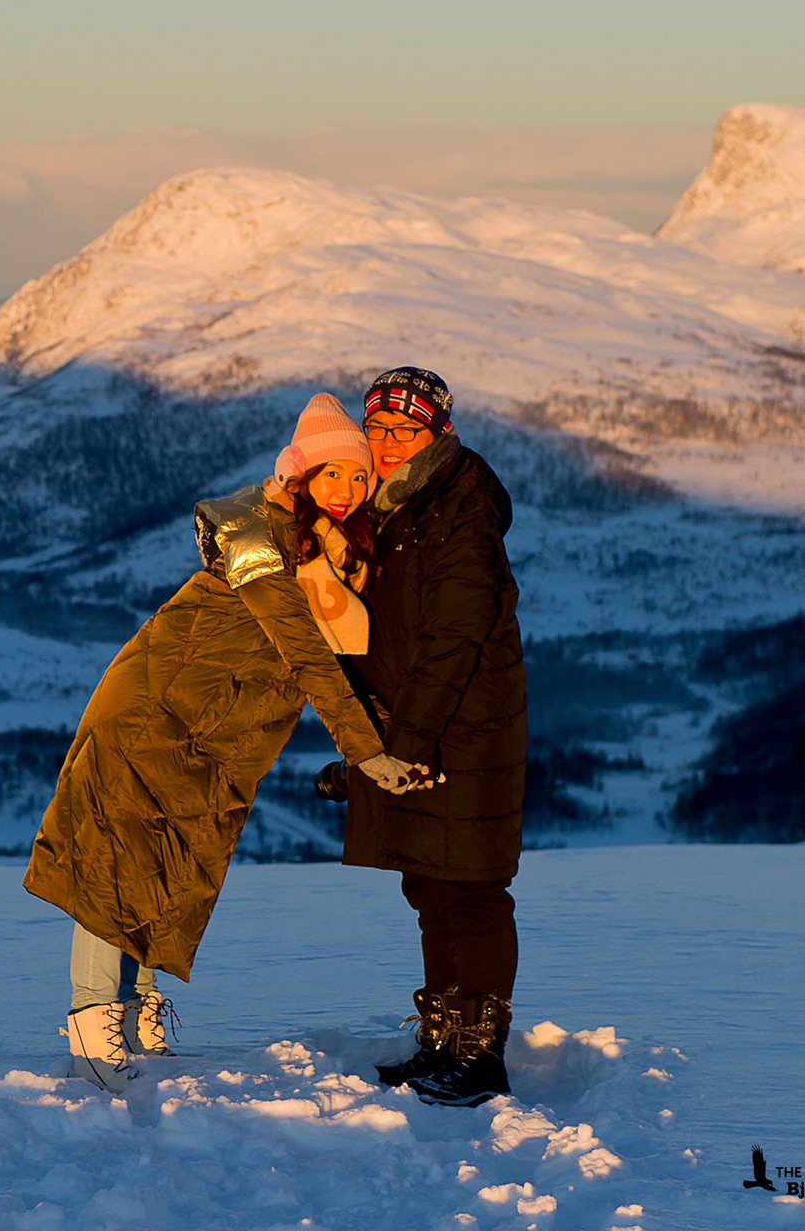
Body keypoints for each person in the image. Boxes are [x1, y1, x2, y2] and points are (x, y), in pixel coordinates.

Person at [25, 393, 433, 1091]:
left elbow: (349, 652)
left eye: (358, 478)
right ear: (298, 475)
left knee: (174, 862)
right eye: (331, 474)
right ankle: (94, 1023)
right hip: (155, 713)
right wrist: (369, 754)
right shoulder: (261, 540)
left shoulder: (324, 553)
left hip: (210, 727)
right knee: (119, 860)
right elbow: (308, 657)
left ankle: (135, 1003)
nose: (346, 490)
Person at [316, 366, 528, 1108]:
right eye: (377, 429)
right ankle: (440, 1040)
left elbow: (451, 641)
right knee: (429, 886)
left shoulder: (460, 509)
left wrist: (403, 746)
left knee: (471, 891)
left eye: (405, 430)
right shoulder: (395, 505)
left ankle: (481, 1054)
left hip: (463, 732)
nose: (388, 443)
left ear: (439, 431)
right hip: (414, 727)